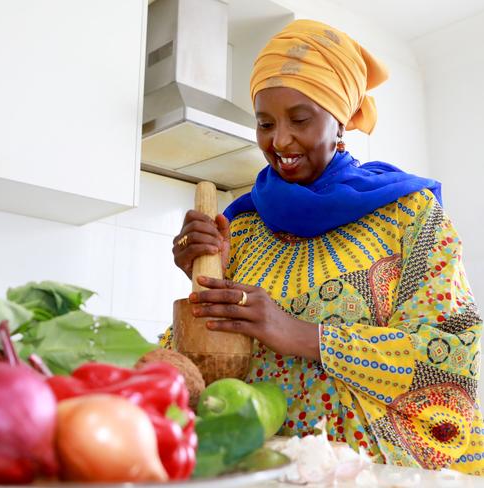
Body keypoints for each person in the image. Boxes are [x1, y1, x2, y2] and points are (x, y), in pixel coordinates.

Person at [164, 19, 483, 475]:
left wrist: (301, 334)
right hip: (261, 469)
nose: (279, 141)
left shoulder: (410, 213)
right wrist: (201, 287)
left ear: (340, 122)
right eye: (265, 123)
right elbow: (213, 364)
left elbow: (451, 355)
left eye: (300, 119)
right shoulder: (242, 225)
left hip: (378, 474)